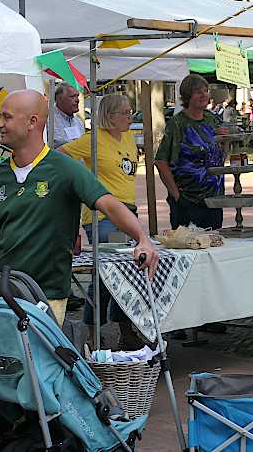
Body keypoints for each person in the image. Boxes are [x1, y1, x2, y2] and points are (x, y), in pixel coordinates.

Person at [0, 90, 157, 327]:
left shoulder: (64, 169)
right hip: (2, 292)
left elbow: (110, 204)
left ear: (33, 122)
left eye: (7, 117)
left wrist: (141, 239)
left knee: (39, 363)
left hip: (47, 295)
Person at [60, 94, 142, 349]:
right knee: (106, 275)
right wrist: (79, 182)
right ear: (110, 116)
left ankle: (123, 328)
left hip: (128, 211)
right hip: (103, 215)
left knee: (127, 272)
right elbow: (58, 155)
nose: (130, 117)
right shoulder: (91, 140)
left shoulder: (128, 136)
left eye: (131, 112)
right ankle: (92, 330)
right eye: (125, 113)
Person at [156, 74, 227, 230]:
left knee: (213, 246)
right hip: (188, 201)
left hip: (214, 200)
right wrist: (177, 196)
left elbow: (220, 158)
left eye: (206, 90)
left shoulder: (212, 119)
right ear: (188, 96)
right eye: (198, 92)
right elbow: (161, 161)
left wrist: (224, 141)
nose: (204, 95)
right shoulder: (178, 123)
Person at [53, 82, 85, 148]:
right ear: (59, 99)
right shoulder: (48, 121)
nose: (77, 100)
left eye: (77, 96)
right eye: (72, 96)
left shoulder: (78, 122)